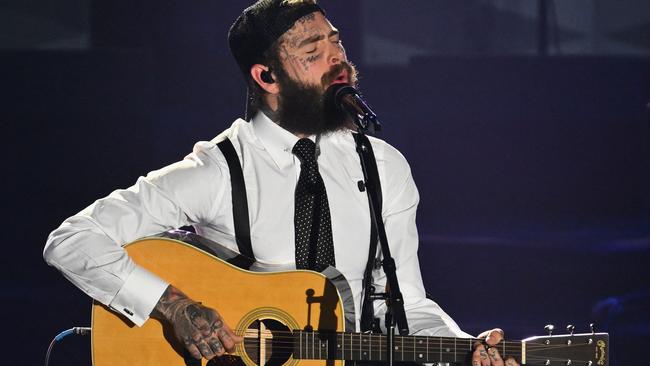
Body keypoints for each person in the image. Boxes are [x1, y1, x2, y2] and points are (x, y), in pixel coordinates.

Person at [44, 1, 509, 365]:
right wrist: (174, 307)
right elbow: (71, 239)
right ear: (266, 76)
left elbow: (404, 305)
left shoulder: (383, 167)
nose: (337, 60)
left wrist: (465, 346)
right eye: (312, 53)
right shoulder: (218, 170)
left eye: (337, 43)